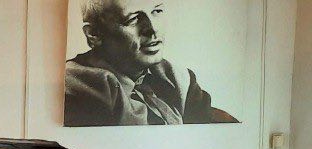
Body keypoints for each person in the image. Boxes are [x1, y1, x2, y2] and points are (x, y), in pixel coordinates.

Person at [65, 0, 236, 126]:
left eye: (157, 11)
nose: (153, 29)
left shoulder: (176, 78)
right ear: (94, 34)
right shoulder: (78, 89)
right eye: (133, 19)